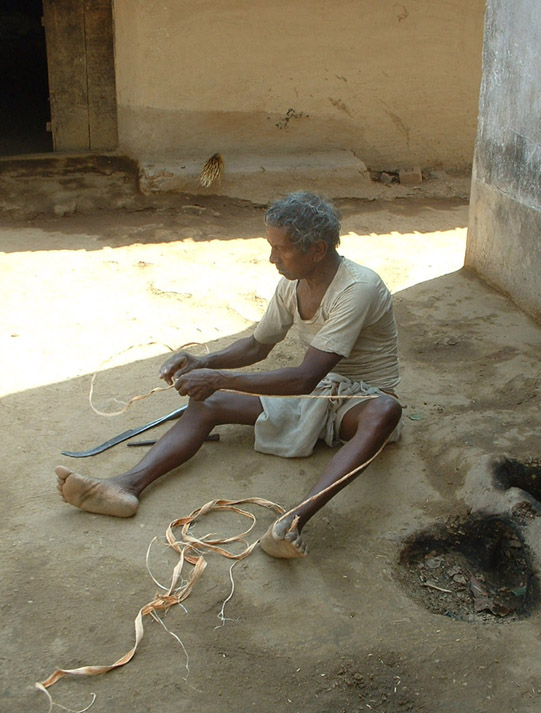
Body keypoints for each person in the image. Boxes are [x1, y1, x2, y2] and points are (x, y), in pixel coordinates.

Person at [56, 192, 402, 558]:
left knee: (385, 411)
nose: (272, 259)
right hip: (317, 393)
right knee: (208, 402)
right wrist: (203, 362)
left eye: (281, 250)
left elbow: (303, 379)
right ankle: (126, 485)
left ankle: (292, 522)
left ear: (317, 249)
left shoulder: (357, 288)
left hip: (358, 401)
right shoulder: (292, 283)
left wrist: (219, 377)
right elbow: (257, 345)